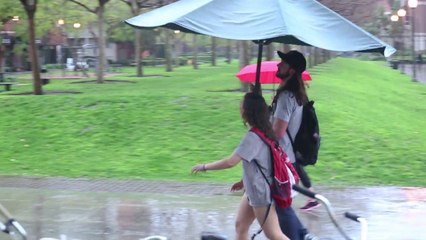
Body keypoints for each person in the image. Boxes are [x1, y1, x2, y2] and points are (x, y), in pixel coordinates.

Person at [192, 92, 289, 240]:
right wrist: (244, 180)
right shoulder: (263, 130)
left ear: (248, 110)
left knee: (274, 235)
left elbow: (230, 162)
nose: (239, 107)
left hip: (261, 193)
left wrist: (204, 166)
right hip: (252, 190)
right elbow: (260, 163)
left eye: (241, 104)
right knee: (240, 226)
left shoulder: (252, 137)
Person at [272, 50, 320, 211]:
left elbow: (277, 133)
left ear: (291, 71)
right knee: (278, 211)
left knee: (281, 212)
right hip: (286, 158)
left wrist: (258, 119)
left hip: (280, 160)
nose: (278, 64)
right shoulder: (295, 95)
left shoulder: (286, 97)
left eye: (283, 63)